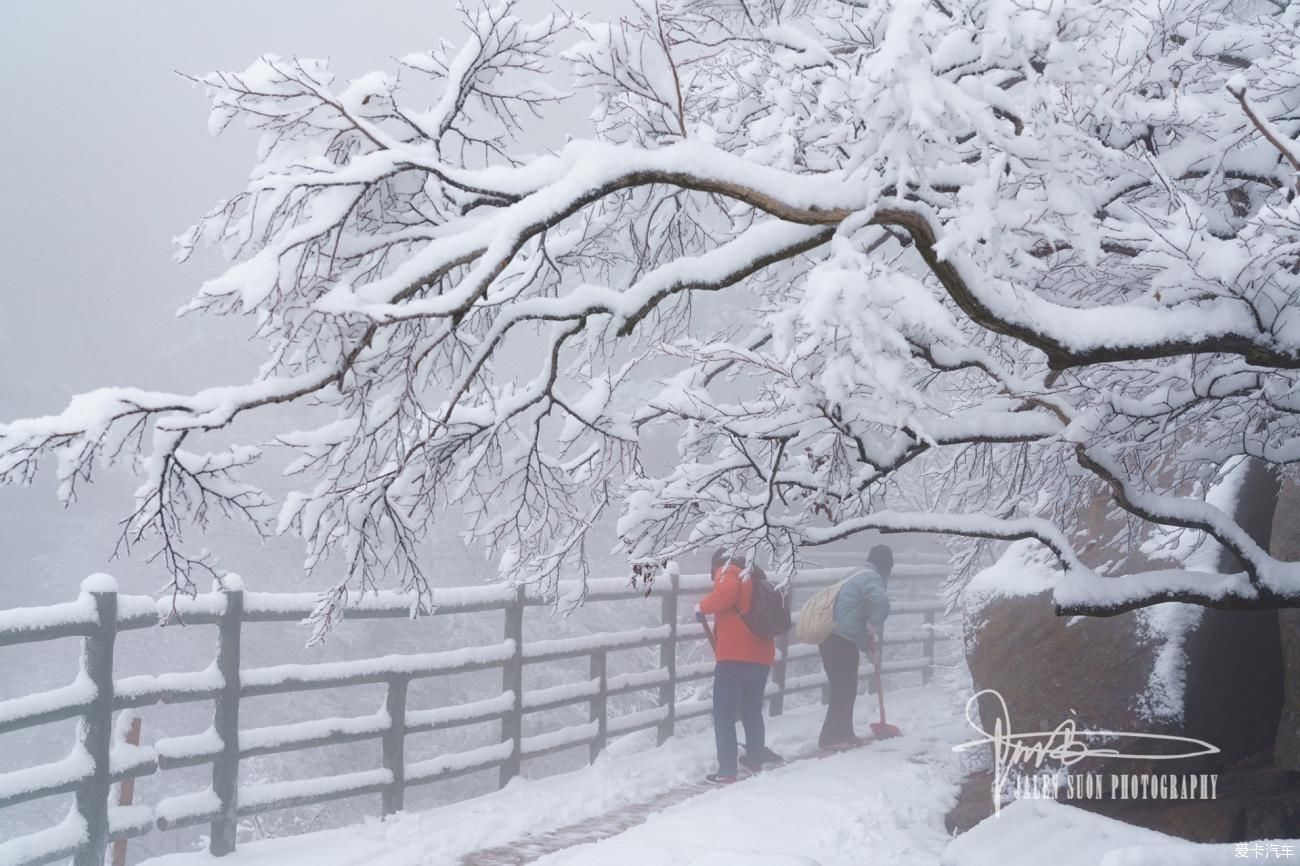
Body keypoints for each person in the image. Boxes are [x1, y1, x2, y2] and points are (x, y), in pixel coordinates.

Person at [696, 548, 775, 784]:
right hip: (761, 655)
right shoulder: (755, 576)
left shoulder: (728, 570)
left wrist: (701, 607)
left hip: (734, 657)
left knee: (724, 714)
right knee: (751, 710)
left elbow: (726, 594)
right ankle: (754, 758)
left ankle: (727, 770)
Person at [818, 544, 893, 750]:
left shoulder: (856, 573)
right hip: (839, 639)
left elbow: (851, 616)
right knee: (843, 688)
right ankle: (830, 738)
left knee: (845, 688)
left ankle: (843, 734)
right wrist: (873, 624)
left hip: (835, 638)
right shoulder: (871, 578)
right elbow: (880, 601)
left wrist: (869, 650)